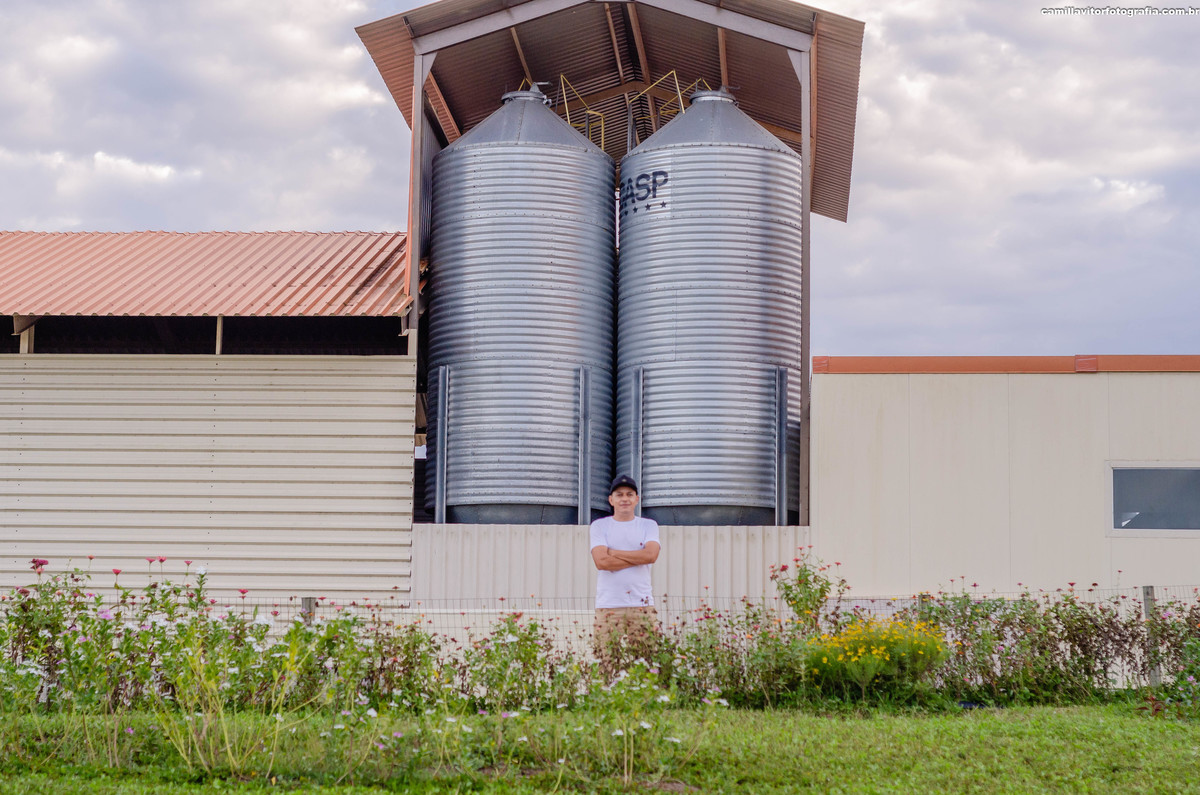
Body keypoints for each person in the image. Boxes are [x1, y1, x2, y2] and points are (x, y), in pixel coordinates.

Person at [589, 474, 660, 673]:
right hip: (608, 605)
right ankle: (606, 701)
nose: (625, 499)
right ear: (611, 500)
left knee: (647, 661)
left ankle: (645, 703)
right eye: (619, 495)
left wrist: (614, 552)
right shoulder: (600, 526)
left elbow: (652, 555)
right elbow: (602, 561)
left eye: (630, 494)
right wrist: (638, 556)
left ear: (637, 499)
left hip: (642, 605)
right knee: (606, 662)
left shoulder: (648, 525)